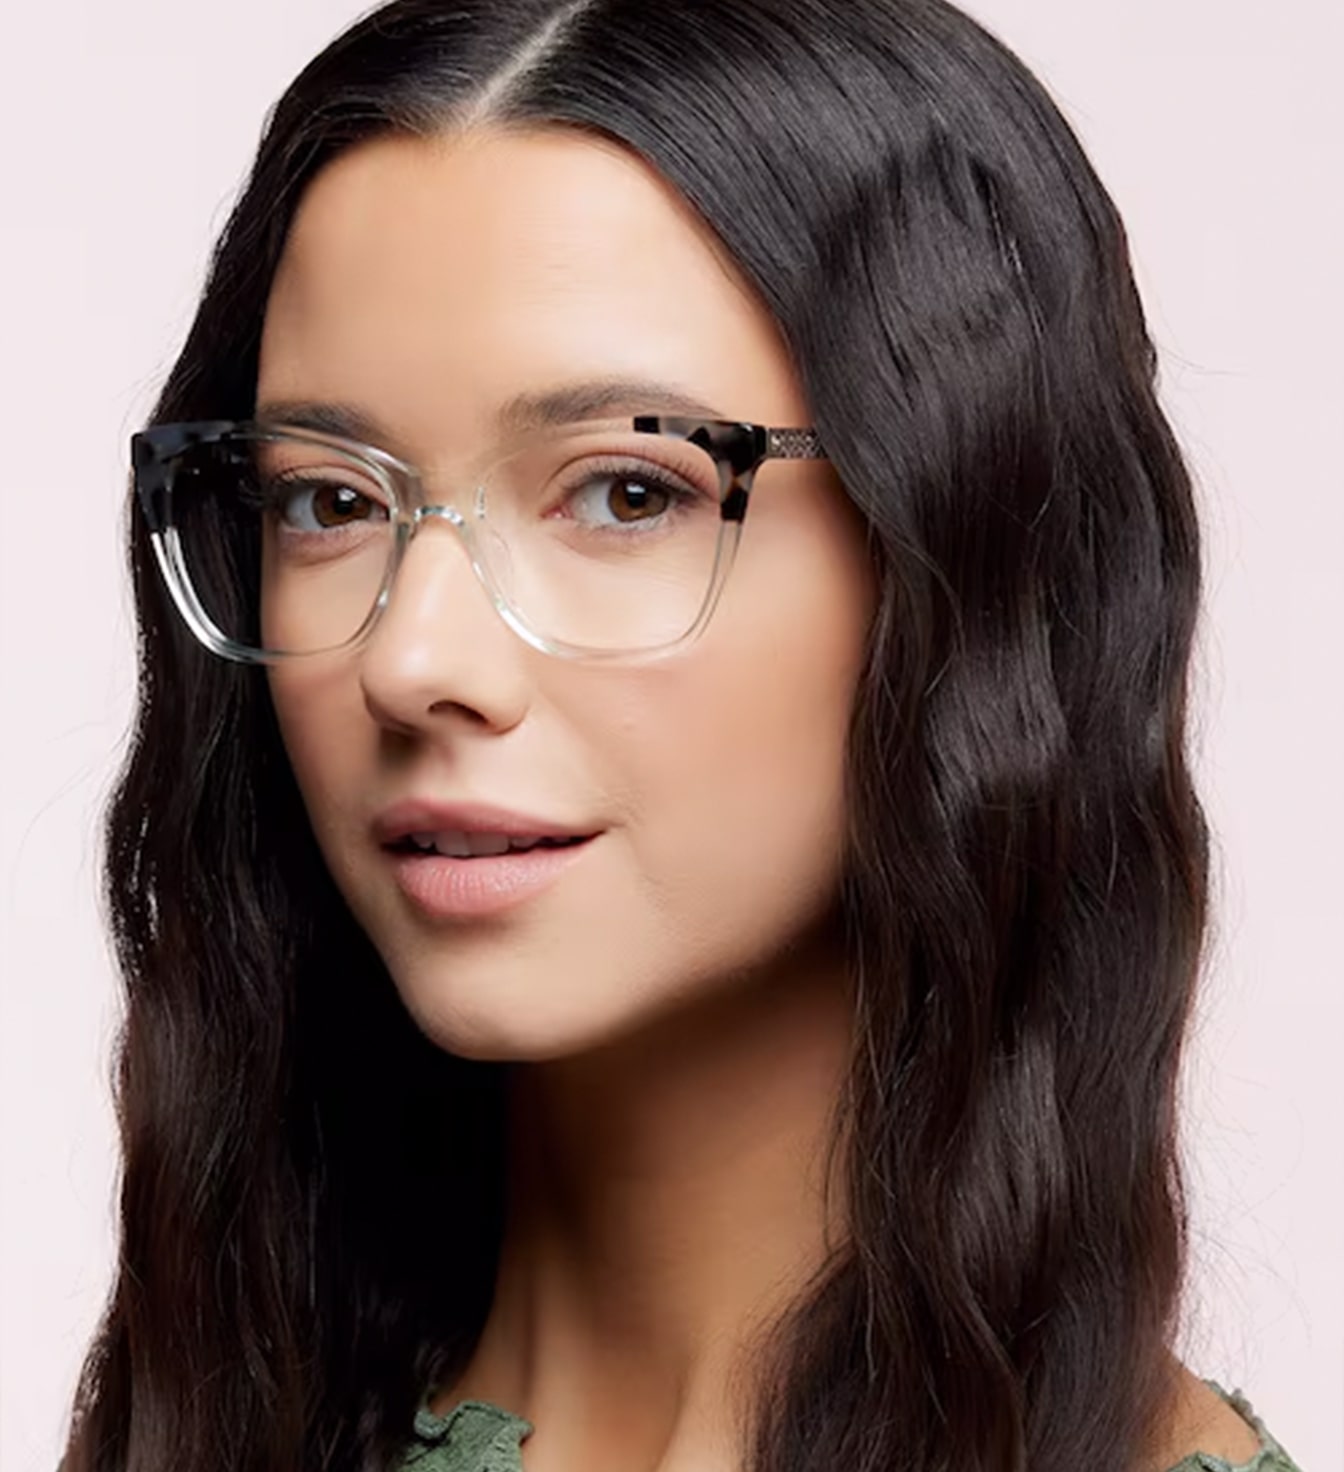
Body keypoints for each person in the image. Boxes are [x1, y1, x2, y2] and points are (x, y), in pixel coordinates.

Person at [60, 2, 1305, 1470]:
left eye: (626, 491)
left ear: (962, 560)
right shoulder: (215, 1414)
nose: (410, 659)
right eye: (327, 501)